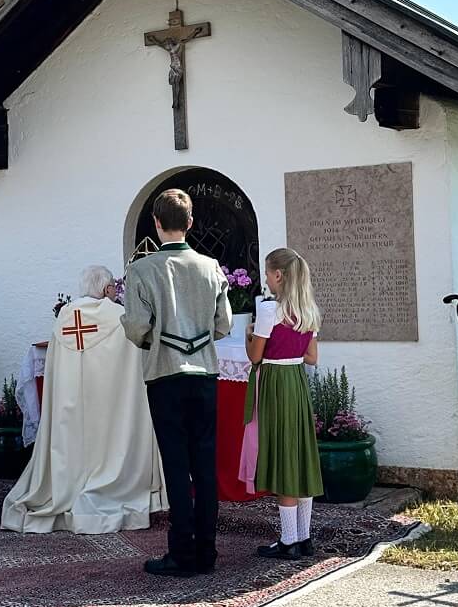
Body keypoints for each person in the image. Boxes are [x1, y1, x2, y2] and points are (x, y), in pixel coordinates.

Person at [2, 265, 165, 534]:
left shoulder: (66, 316)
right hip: (109, 404)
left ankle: (68, 486)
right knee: (107, 442)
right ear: (106, 289)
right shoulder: (117, 315)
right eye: (113, 288)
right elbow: (135, 355)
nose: (114, 292)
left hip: (71, 403)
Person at [123, 188, 232, 577]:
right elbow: (224, 324)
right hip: (203, 373)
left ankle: (181, 553)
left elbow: (136, 327)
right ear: (190, 223)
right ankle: (207, 551)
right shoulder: (211, 266)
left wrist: (154, 341)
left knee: (175, 465)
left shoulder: (141, 270)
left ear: (156, 222)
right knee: (204, 464)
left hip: (165, 374)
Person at [241, 249, 324, 560]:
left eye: (267, 273)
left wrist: (249, 334)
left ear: (278, 275)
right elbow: (312, 357)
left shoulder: (269, 310)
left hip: (275, 383)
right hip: (297, 382)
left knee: (282, 456)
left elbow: (255, 356)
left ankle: (289, 539)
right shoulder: (309, 310)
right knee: (299, 454)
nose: (266, 279)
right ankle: (304, 537)